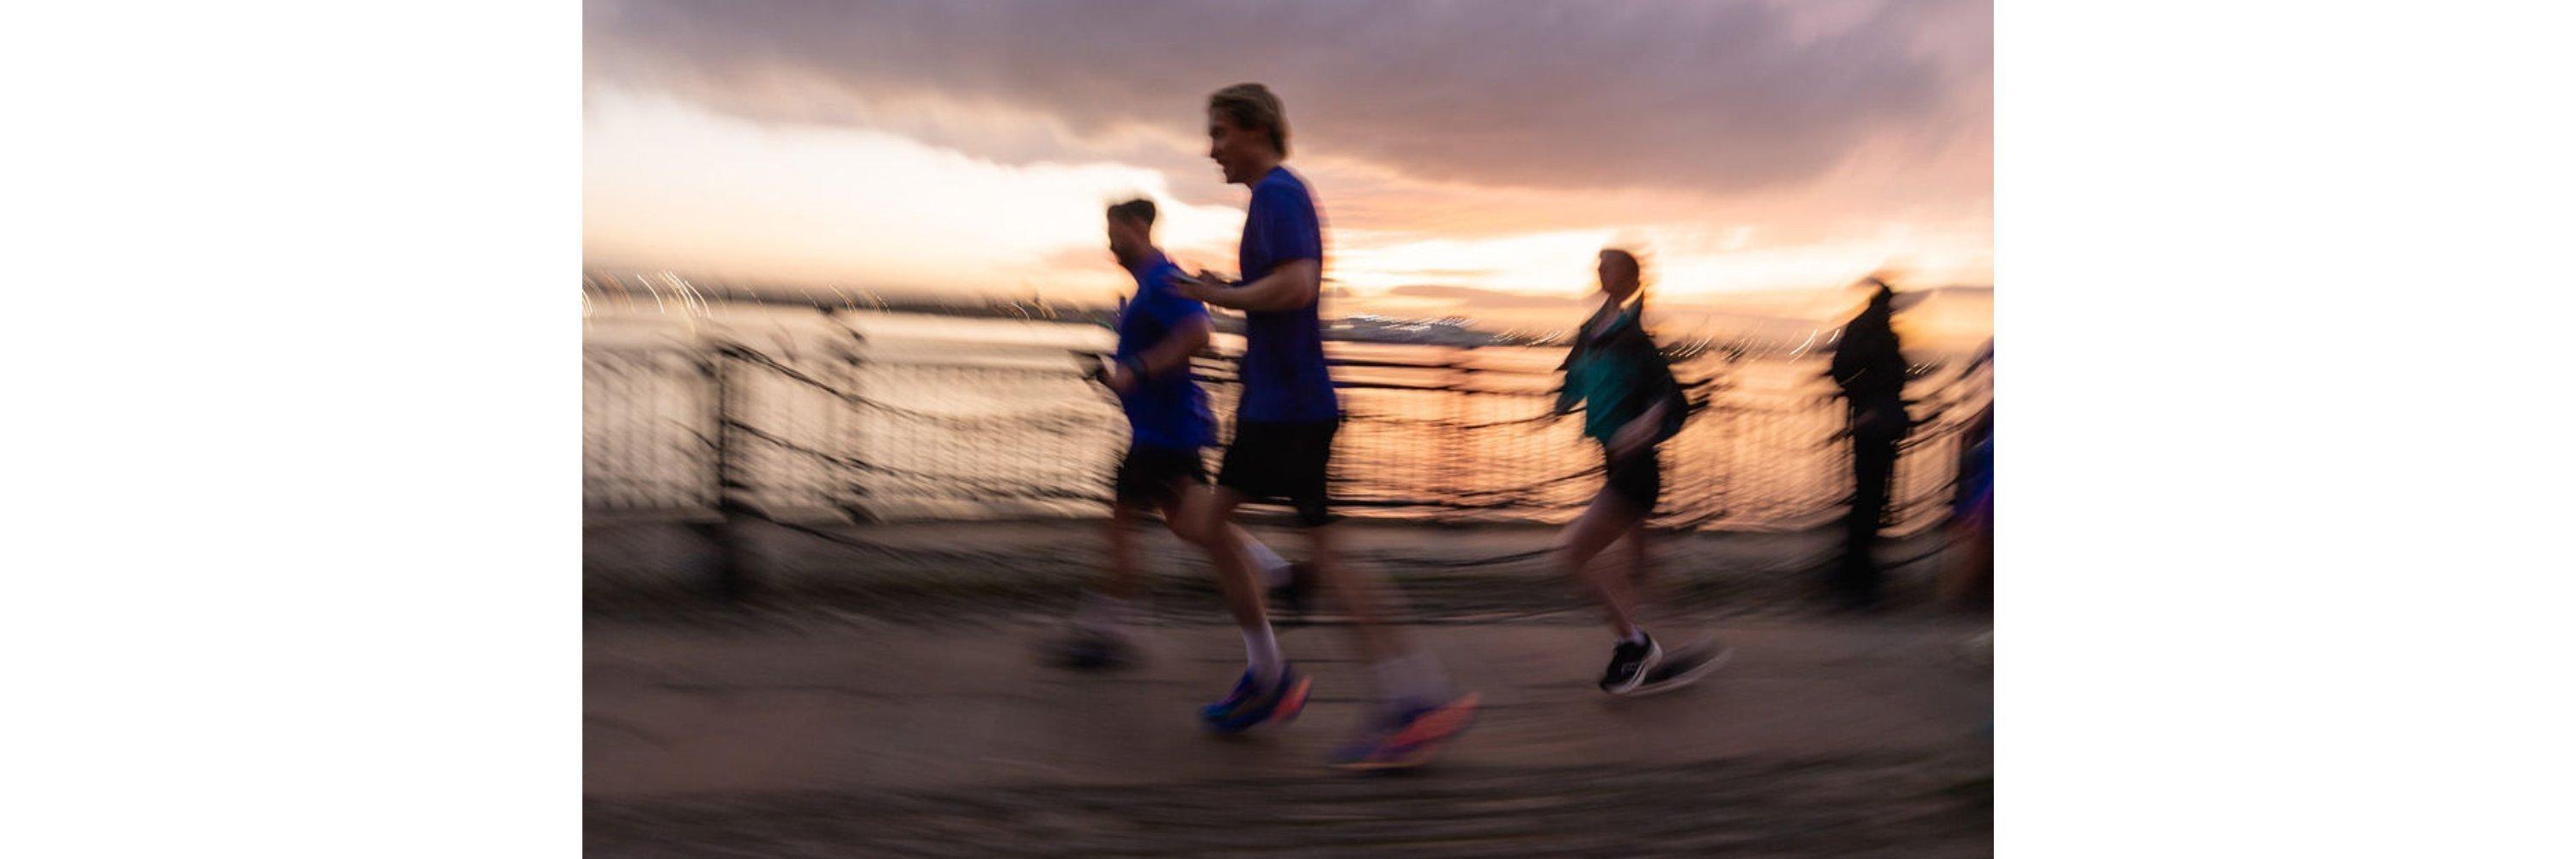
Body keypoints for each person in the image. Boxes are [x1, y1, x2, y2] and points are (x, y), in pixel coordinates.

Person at [1169, 82, 1476, 770]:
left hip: (1292, 410)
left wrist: (1218, 295)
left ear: (1254, 129)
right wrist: (1229, 291)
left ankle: (1411, 699)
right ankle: (1277, 663)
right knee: (1204, 525)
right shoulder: (1272, 198)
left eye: (1219, 133)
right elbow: (1281, 288)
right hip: (1275, 406)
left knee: (1325, 557)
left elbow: (1298, 285)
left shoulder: (1280, 193)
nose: (1210, 149)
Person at [1050, 198, 1297, 670]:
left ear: (1138, 227)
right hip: (1164, 428)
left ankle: (1109, 632)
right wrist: (1119, 376)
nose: (1108, 241)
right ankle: (1277, 572)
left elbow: (1198, 332)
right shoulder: (1149, 283)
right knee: (1190, 523)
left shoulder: (1162, 280)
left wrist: (1135, 370)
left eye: (1114, 229)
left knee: (1122, 526)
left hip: (1164, 433)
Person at [1552, 248, 1728, 694]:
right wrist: (1558, 405)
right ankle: (1689, 644)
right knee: (1641, 563)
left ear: (1628, 277)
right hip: (1614, 462)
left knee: (1574, 552)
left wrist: (1646, 422)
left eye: (1609, 266)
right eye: (1599, 265)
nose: (1599, 271)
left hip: (1636, 471)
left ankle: (1635, 645)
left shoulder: (1635, 340)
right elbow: (1576, 375)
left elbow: (1671, 397)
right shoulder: (1594, 330)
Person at [1827, 278, 1911, 609]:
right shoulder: (1873, 331)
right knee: (1871, 500)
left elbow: (1846, 371)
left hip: (1876, 420)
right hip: (1877, 421)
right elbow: (1848, 371)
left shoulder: (1869, 329)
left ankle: (1858, 575)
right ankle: (1858, 578)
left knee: (1870, 499)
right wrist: (1867, 404)